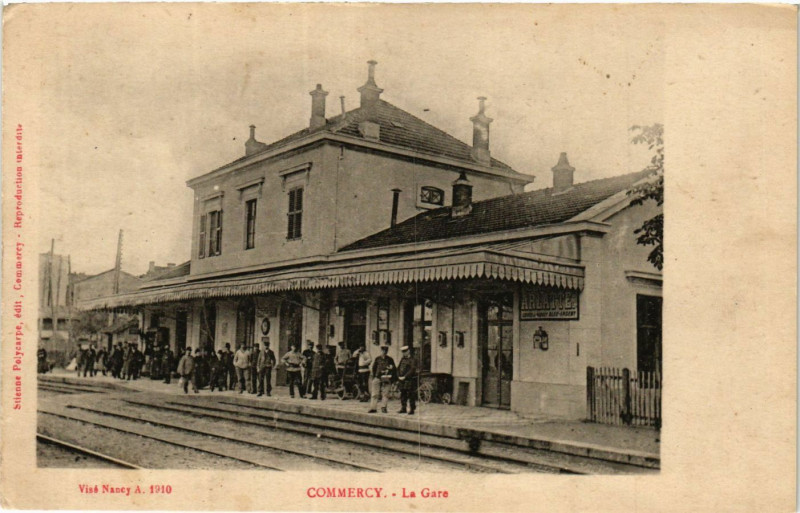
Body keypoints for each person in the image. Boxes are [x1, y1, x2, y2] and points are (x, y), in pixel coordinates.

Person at [368, 346, 396, 414]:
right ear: (381, 351)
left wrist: (390, 375)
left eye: (385, 351)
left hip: (386, 378)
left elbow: (394, 369)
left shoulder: (390, 359)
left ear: (387, 351)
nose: (384, 352)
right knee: (374, 393)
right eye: (383, 351)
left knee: (385, 393)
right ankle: (373, 408)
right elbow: (374, 368)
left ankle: (384, 407)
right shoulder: (377, 359)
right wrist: (375, 376)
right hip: (377, 377)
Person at [396, 345, 419, 414]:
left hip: (409, 380)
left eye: (405, 351)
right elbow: (398, 368)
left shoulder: (413, 359)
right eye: (403, 352)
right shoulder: (402, 359)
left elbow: (412, 369)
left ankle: (412, 409)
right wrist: (398, 376)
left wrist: (405, 377)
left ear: (408, 351)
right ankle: (403, 408)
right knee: (403, 394)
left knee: (411, 395)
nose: (404, 353)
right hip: (402, 380)